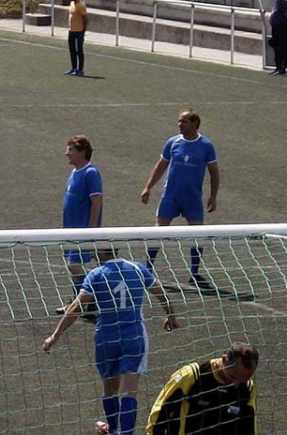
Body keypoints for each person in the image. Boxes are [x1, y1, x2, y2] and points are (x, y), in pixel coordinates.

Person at [43, 247, 180, 435]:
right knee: (130, 392)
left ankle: (114, 429)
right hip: (134, 336)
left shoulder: (96, 274)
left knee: (110, 390)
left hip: (106, 339)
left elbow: (77, 306)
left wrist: (55, 335)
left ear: (99, 253)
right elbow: (160, 293)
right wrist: (171, 316)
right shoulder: (137, 268)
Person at [141, 109, 219, 286]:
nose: (179, 125)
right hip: (171, 197)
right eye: (179, 121)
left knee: (197, 234)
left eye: (183, 122)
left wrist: (213, 196)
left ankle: (194, 272)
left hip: (192, 198)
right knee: (158, 231)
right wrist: (148, 187)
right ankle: (148, 269)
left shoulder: (206, 145)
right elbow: (161, 166)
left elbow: (214, 173)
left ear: (194, 124)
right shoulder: (173, 142)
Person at [147, 343, 259, 434]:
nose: (236, 384)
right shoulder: (192, 376)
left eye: (244, 379)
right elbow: (159, 415)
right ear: (224, 360)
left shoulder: (247, 388)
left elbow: (248, 427)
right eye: (233, 377)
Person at [56, 135, 104, 316]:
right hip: (71, 230)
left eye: (71, 150)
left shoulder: (90, 173)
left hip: (83, 231)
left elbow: (96, 201)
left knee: (74, 265)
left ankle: (90, 297)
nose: (66, 153)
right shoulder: (75, 172)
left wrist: (90, 229)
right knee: (73, 266)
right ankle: (79, 301)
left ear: (82, 151)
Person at [268, 0, 287, 76]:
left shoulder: (283, 2)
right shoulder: (276, 3)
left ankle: (282, 68)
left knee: (281, 48)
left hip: (281, 28)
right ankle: (278, 67)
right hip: (275, 28)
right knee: (276, 47)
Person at [66, 0, 88, 77]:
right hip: (71, 30)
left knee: (79, 50)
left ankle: (80, 69)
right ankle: (73, 68)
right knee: (72, 50)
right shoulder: (71, 4)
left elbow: (85, 19)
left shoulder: (81, 6)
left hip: (79, 31)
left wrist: (83, 30)